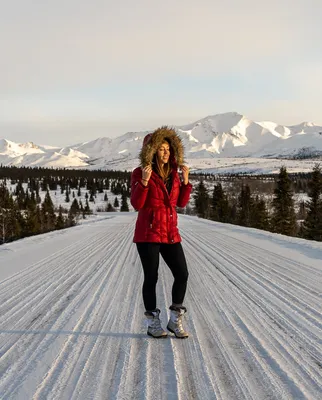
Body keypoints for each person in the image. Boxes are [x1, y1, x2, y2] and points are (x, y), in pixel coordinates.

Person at [130, 126, 192, 339]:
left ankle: (175, 320)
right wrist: (145, 183)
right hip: (148, 233)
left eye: (168, 149)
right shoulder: (140, 173)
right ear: (151, 151)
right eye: (161, 149)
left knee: (182, 274)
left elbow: (181, 203)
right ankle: (152, 322)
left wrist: (185, 182)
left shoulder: (174, 174)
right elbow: (137, 204)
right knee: (151, 276)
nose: (166, 152)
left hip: (170, 232)